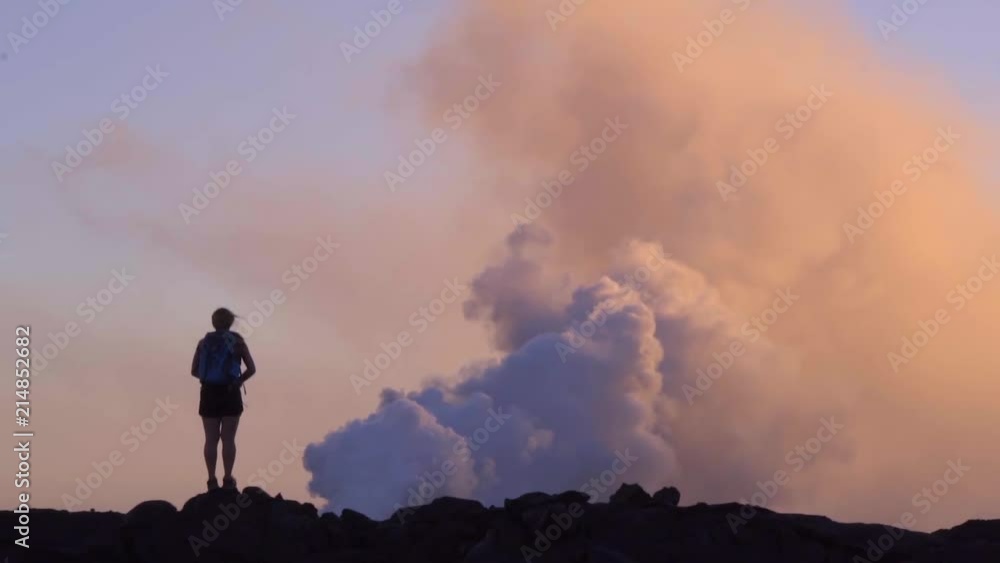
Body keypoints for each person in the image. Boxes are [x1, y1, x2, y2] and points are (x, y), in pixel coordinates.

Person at [191, 308, 256, 491]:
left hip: (209, 392)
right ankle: (228, 479)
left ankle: (211, 480)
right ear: (230, 323)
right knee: (228, 439)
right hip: (230, 392)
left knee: (210, 439)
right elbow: (251, 368)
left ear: (213, 322)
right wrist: (237, 381)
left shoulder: (203, 343)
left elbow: (194, 370)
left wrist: (209, 379)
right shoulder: (238, 342)